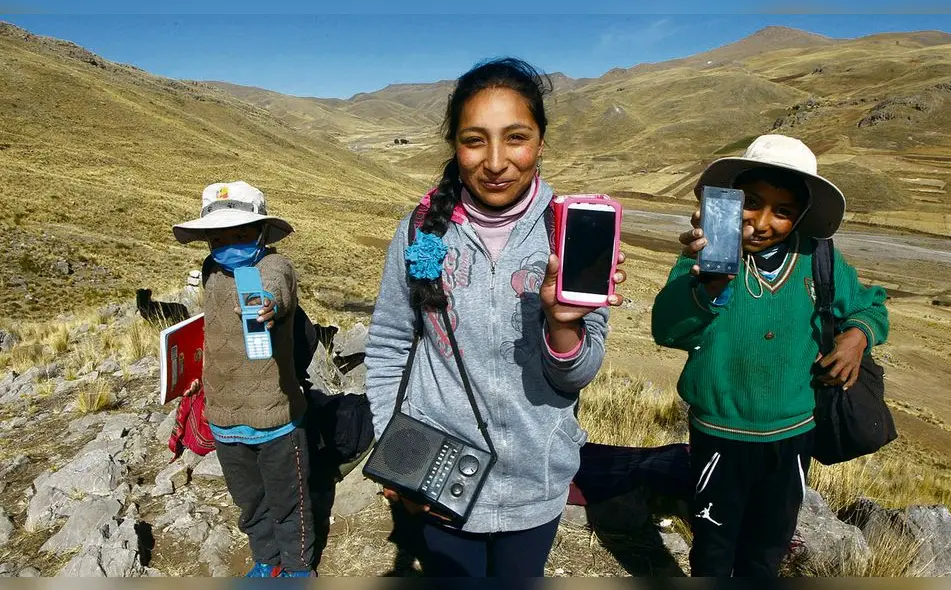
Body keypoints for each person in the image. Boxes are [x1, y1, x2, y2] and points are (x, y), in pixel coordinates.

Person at [364, 57, 627, 578]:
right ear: (455, 146)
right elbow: (391, 344)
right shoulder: (420, 231)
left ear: (541, 143)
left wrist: (562, 323)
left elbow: (577, 374)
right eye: (474, 139)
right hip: (438, 474)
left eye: (516, 137)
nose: (496, 161)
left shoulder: (571, 234)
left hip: (536, 484)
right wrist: (394, 454)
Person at [650, 134, 889, 577]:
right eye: (751, 203)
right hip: (719, 436)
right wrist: (709, 286)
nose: (761, 223)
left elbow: (869, 305)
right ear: (729, 200)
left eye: (781, 211)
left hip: (792, 439)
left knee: (768, 547)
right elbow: (667, 330)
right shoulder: (700, 262)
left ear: (799, 217)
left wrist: (857, 336)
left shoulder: (819, 260)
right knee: (714, 550)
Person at [172, 181, 316, 578]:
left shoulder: (273, 266)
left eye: (241, 233)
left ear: (262, 233)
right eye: (218, 237)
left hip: (275, 419)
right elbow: (214, 331)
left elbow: (274, 290)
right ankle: (266, 559)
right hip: (224, 418)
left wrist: (266, 305)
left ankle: (298, 567)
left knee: (289, 500)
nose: (230, 243)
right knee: (250, 501)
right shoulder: (210, 271)